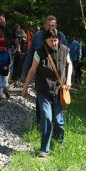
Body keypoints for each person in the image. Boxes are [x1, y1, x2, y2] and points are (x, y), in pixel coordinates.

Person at [21, 28, 72, 157]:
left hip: (58, 90)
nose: (53, 43)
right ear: (46, 41)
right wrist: (25, 87)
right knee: (47, 118)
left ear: (58, 40)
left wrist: (69, 80)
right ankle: (44, 149)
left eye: (55, 40)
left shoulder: (64, 50)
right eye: (51, 41)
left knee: (58, 121)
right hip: (43, 90)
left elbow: (69, 64)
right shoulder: (39, 52)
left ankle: (58, 143)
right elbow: (32, 70)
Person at [20, 15, 69, 80]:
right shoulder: (37, 36)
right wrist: (24, 72)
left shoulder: (61, 36)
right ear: (44, 25)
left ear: (56, 26)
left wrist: (67, 77)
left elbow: (66, 56)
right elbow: (30, 54)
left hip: (56, 74)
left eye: (53, 26)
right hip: (39, 73)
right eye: (49, 26)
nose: (51, 28)